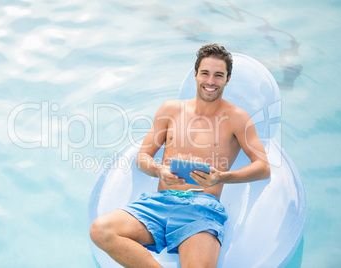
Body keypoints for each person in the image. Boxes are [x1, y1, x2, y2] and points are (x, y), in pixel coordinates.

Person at [90, 44, 270, 267]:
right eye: (205, 73)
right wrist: (159, 170)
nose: (210, 81)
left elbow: (263, 166)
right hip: (158, 204)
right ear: (195, 75)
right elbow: (143, 157)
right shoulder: (170, 110)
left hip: (201, 209)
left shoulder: (237, 118)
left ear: (227, 79)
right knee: (101, 230)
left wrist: (222, 177)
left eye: (218, 75)